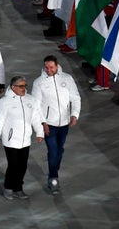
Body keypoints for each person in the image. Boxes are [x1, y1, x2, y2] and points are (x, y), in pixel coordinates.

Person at [30, 55, 81, 195]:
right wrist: (42, 123)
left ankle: (54, 169)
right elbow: (36, 105)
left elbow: (75, 98)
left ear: (57, 66)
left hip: (64, 123)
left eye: (51, 67)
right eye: (46, 67)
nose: (49, 70)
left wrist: (74, 114)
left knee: (59, 150)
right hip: (49, 124)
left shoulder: (67, 79)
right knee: (53, 150)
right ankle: (53, 178)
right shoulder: (39, 83)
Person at [0, 75, 45, 200]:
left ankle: (18, 188)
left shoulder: (30, 100)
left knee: (23, 166)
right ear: (13, 87)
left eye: (25, 86)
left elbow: (36, 118)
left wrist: (40, 132)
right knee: (13, 165)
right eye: (20, 86)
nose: (24, 88)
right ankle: (8, 187)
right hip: (11, 140)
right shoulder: (4, 102)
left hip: (25, 140)